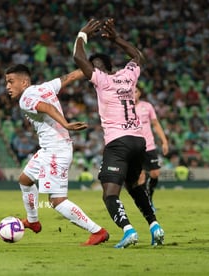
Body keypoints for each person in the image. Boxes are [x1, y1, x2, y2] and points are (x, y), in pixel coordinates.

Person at [73, 18, 164, 248]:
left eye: (92, 66)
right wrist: (116, 39)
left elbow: (78, 57)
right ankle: (155, 226)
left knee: (109, 193)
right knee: (134, 187)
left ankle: (128, 230)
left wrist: (82, 35)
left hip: (118, 142)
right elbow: (137, 56)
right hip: (138, 140)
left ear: (98, 67)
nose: (89, 70)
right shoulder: (127, 76)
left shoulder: (101, 80)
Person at [5, 64, 109, 246]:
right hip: (48, 150)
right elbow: (69, 77)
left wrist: (66, 124)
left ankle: (97, 231)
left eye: (11, 82)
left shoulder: (25, 99)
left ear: (24, 82)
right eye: (6, 82)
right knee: (25, 180)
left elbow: (45, 107)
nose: (7, 86)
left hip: (56, 151)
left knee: (57, 201)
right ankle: (33, 221)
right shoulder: (45, 87)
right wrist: (92, 70)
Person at [134, 85, 169, 208]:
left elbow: (155, 124)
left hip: (149, 146)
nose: (133, 93)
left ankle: (149, 195)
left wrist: (164, 141)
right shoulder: (125, 108)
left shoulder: (147, 106)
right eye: (131, 91)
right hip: (135, 148)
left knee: (155, 173)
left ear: (140, 93)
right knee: (141, 175)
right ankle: (146, 204)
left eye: (136, 91)